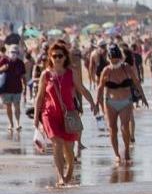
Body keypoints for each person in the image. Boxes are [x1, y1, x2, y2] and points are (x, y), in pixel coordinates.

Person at [34, 41, 96, 186]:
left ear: (65, 57)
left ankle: (70, 169)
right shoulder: (45, 75)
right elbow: (39, 96)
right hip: (49, 114)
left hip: (68, 115)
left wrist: (92, 103)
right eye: (54, 56)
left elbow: (82, 89)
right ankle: (61, 176)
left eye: (60, 56)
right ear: (50, 57)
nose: (57, 58)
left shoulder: (71, 73)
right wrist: (36, 117)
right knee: (57, 143)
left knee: (69, 148)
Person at [96, 44, 139, 163]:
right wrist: (96, 103)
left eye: (116, 58)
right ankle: (117, 154)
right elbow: (100, 87)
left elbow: (136, 81)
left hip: (126, 101)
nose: (114, 61)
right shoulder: (106, 70)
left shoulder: (126, 67)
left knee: (125, 127)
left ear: (120, 57)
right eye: (112, 59)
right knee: (113, 129)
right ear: (109, 58)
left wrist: (142, 97)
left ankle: (126, 150)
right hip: (110, 103)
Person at [1, 46, 24, 132]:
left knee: (17, 105)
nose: (13, 54)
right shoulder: (4, 60)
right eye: (12, 52)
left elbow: (23, 76)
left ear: (18, 54)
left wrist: (25, 88)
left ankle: (18, 123)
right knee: (8, 106)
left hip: (17, 88)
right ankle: (11, 123)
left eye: (15, 52)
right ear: (8, 52)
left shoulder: (20, 63)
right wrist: (3, 68)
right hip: (6, 89)